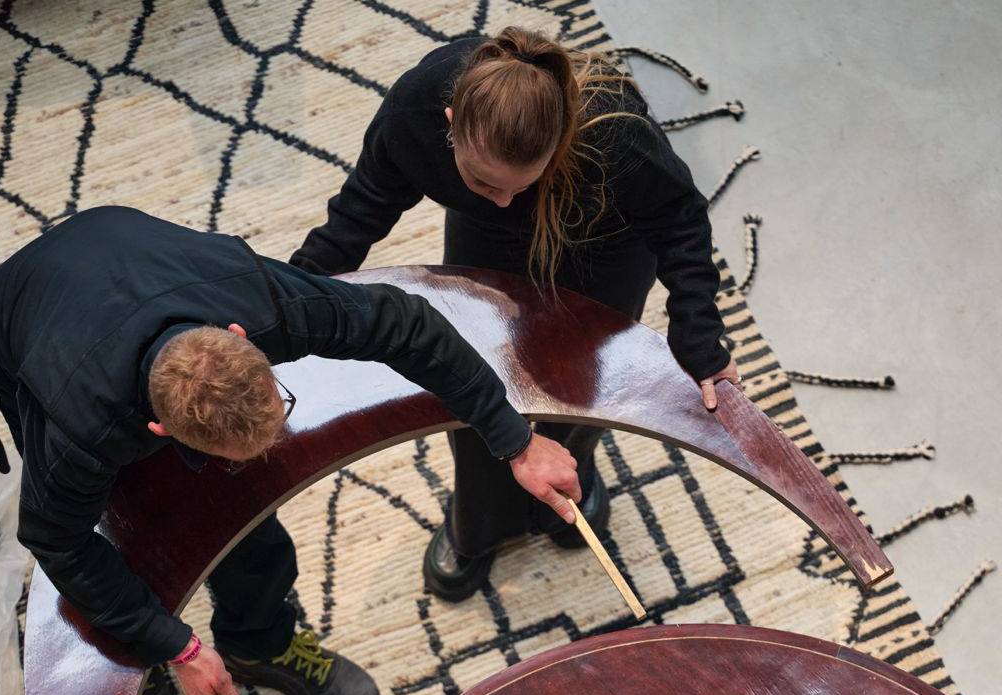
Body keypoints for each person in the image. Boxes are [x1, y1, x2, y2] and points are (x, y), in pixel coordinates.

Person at [0, 205, 579, 695]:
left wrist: (515, 439)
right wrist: (175, 645)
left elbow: (405, 323)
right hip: (16, 324)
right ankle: (140, 661)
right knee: (121, 525)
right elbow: (56, 540)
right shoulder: (81, 428)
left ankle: (258, 642)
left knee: (239, 510)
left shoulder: (259, 297)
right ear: (158, 430)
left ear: (242, 338)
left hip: (125, 245)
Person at [291, 26, 741, 603]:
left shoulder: (618, 136)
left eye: (519, 185)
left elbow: (681, 222)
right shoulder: (414, 110)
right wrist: (288, 298)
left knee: (585, 385)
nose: (505, 200)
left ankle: (572, 479)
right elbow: (358, 214)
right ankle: (475, 526)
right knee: (476, 380)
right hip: (484, 239)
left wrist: (699, 337)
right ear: (450, 124)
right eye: (483, 180)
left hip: (605, 245)